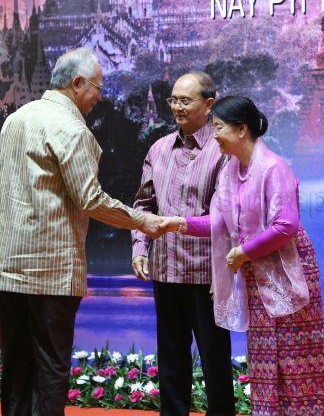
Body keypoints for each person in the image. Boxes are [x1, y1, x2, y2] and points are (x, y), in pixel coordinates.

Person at [0, 47, 162, 416]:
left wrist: (2, 245)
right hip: (52, 271)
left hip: (9, 268)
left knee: (16, 367)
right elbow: (91, 200)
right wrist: (142, 221)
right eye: (97, 87)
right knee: (51, 366)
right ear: (76, 83)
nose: (100, 96)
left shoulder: (15, 119)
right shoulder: (71, 128)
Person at [161, 96, 324, 415]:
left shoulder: (274, 167)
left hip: (289, 269)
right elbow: (219, 222)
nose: (214, 135)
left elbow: (286, 225)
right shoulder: (230, 172)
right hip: (255, 269)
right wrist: (179, 223)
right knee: (265, 356)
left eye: (219, 128)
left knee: (295, 357)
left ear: (242, 130)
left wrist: (242, 251)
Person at [131, 72, 234, 415]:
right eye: (173, 100)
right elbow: (144, 206)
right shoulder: (159, 149)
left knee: (214, 360)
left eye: (185, 101)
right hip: (166, 270)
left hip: (206, 274)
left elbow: (225, 217)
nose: (177, 107)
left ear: (209, 104)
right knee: (171, 361)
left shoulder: (222, 152)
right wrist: (139, 247)